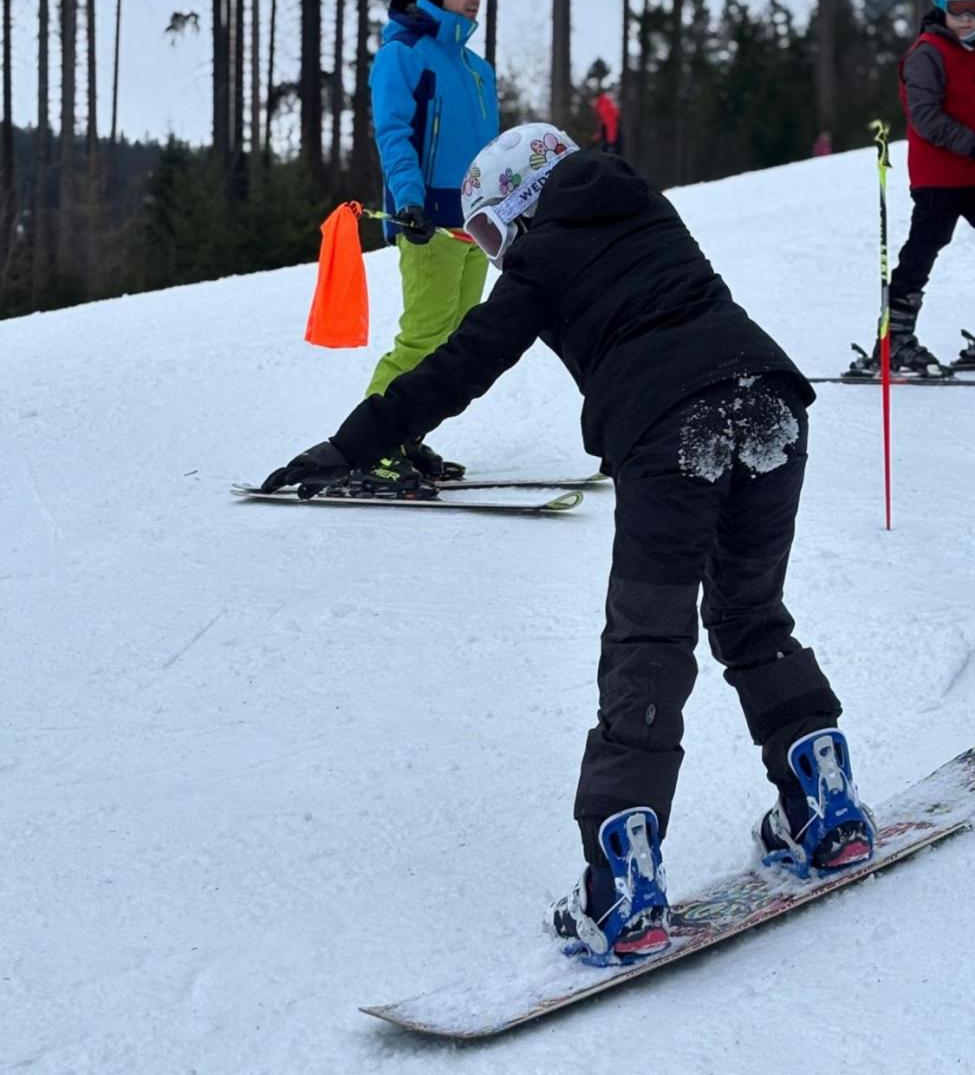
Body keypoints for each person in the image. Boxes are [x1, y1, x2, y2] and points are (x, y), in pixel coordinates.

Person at [261, 122, 876, 963]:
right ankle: (824, 803)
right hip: (767, 397)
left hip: (672, 432)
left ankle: (620, 891)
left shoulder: (542, 254)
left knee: (648, 646)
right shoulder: (643, 204)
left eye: (487, 227)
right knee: (750, 613)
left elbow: (459, 365)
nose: (492, 247)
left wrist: (347, 447)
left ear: (519, 200)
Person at [363, 0, 500, 483]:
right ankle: (371, 442)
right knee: (422, 336)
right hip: (428, 223)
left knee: (454, 342)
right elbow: (394, 134)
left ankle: (406, 432)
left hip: (475, 224)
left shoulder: (475, 68)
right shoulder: (403, 54)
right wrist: (410, 202)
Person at [847, 0, 975, 380]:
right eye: (960, 11)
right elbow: (925, 117)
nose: (968, 20)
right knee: (924, 249)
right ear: (941, 10)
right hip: (940, 175)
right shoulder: (927, 54)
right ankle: (894, 340)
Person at [592, 89, 623, 155]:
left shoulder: (604, 107)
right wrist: (596, 139)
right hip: (611, 137)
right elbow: (603, 127)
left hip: (613, 138)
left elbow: (611, 125)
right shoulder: (602, 105)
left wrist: (610, 144)